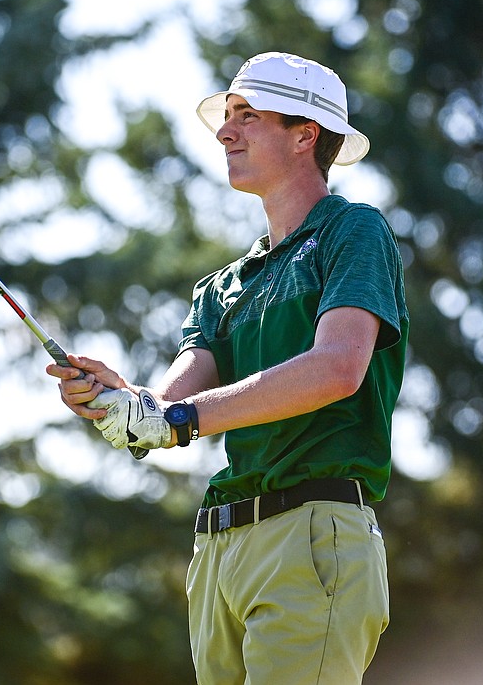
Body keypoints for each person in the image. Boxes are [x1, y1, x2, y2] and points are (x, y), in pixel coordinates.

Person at [47, 52, 409, 684]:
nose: (224, 132)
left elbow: (337, 368)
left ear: (306, 135)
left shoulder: (355, 232)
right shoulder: (222, 286)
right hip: (220, 549)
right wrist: (121, 406)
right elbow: (170, 405)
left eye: (248, 115)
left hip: (312, 532)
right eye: (227, 115)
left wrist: (180, 419)